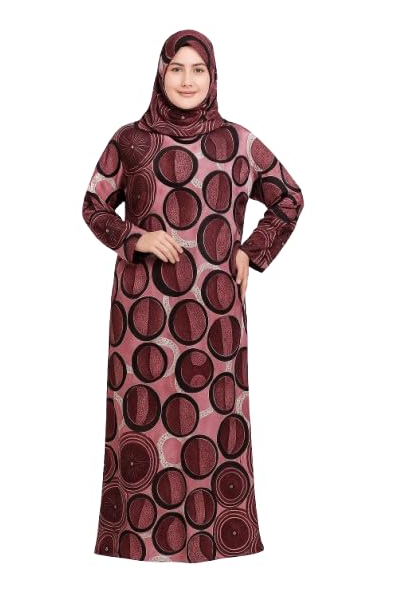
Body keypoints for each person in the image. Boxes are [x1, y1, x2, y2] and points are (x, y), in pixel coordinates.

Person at [82, 28, 304, 563]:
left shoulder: (238, 143)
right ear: (161, 73)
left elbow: (289, 198)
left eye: (198, 69)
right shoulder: (130, 141)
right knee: (142, 422)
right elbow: (93, 205)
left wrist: (252, 252)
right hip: (142, 316)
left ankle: (216, 540)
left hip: (215, 312)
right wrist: (136, 238)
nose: (187, 80)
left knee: (214, 420)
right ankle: (135, 542)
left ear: (212, 76)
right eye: (177, 69)